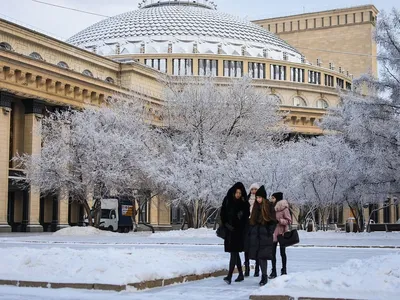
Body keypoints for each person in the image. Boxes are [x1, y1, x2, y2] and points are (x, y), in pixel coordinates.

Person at [220, 182, 250, 285]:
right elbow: (222, 212)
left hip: (238, 232)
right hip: (229, 231)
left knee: (233, 252)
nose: (238, 194)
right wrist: (226, 224)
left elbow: (246, 216)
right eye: (236, 192)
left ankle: (229, 276)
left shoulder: (243, 203)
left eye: (240, 193)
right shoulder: (228, 200)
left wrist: (241, 217)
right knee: (235, 253)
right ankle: (240, 274)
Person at [247, 185, 277, 286]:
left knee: (263, 256)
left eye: (259, 197)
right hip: (257, 235)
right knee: (259, 256)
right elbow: (252, 220)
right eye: (257, 197)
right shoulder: (255, 207)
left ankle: (264, 276)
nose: (258, 199)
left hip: (265, 235)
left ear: (263, 198)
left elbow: (273, 221)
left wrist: (269, 231)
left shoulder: (269, 206)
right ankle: (263, 275)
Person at [269, 192, 292, 278]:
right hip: (273, 233)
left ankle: (284, 270)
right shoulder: (272, 207)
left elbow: (289, 221)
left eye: (273, 198)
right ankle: (273, 271)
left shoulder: (284, 209)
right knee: (272, 253)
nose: (272, 199)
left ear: (277, 199)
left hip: (282, 233)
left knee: (282, 253)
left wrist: (279, 221)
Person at [244, 183, 260, 277]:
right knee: (246, 247)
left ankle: (257, 269)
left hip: (256, 225)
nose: (253, 191)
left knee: (256, 247)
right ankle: (247, 268)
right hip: (247, 225)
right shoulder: (247, 199)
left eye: (255, 189)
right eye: (252, 189)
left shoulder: (260, 200)